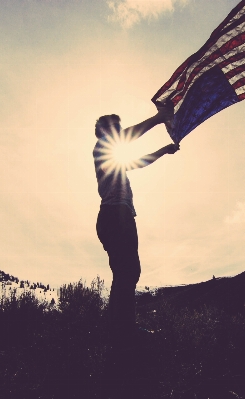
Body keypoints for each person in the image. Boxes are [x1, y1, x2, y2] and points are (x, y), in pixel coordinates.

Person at [94, 107, 179, 349]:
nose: (120, 134)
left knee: (125, 272)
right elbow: (130, 136)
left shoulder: (114, 162)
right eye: (116, 130)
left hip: (116, 217)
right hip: (115, 216)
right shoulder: (102, 149)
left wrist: (164, 150)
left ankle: (119, 329)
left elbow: (140, 162)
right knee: (128, 271)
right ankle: (124, 331)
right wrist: (158, 118)